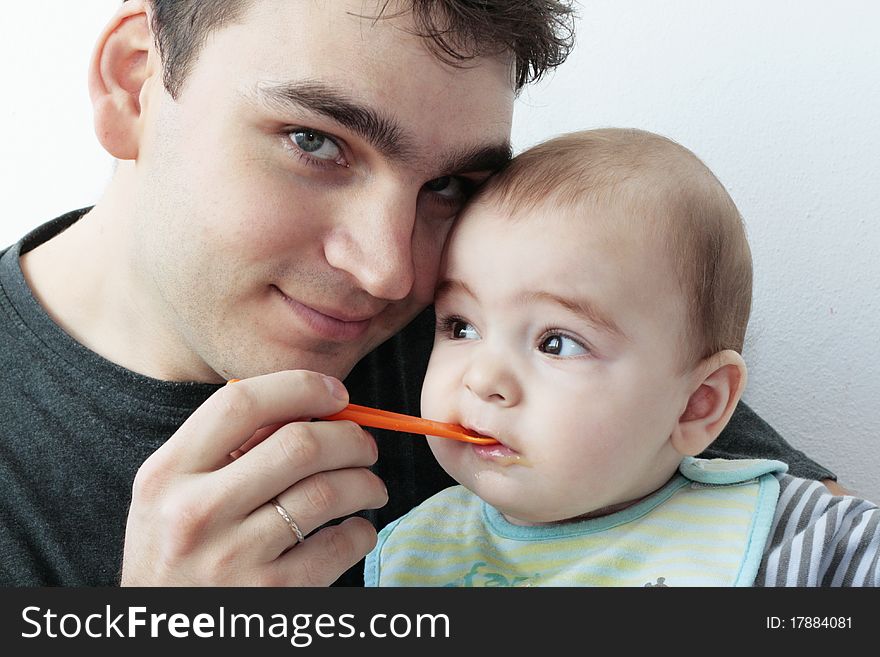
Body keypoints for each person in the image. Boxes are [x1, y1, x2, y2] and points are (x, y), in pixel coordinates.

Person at [0, 0, 836, 588]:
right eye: (314, 141)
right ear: (132, 81)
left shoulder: (493, 325)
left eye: (449, 185)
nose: (388, 272)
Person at [365, 129, 879, 587]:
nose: (483, 379)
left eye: (556, 343)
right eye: (462, 327)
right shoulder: (413, 551)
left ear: (696, 405)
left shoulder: (791, 536)